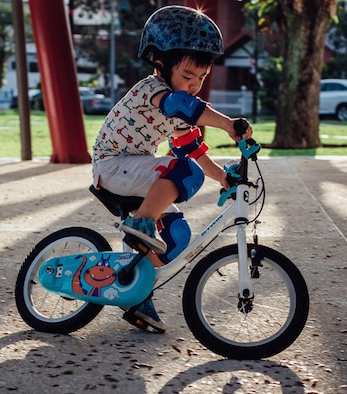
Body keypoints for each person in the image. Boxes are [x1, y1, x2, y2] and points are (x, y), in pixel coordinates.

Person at [91, 5, 253, 333]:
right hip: (112, 166)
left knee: (179, 235)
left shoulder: (179, 106)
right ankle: (141, 223)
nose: (194, 86)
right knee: (185, 173)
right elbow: (185, 108)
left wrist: (224, 177)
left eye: (201, 79)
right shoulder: (152, 91)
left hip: (136, 173)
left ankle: (137, 295)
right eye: (187, 76)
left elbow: (191, 147)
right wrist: (228, 125)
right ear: (161, 65)